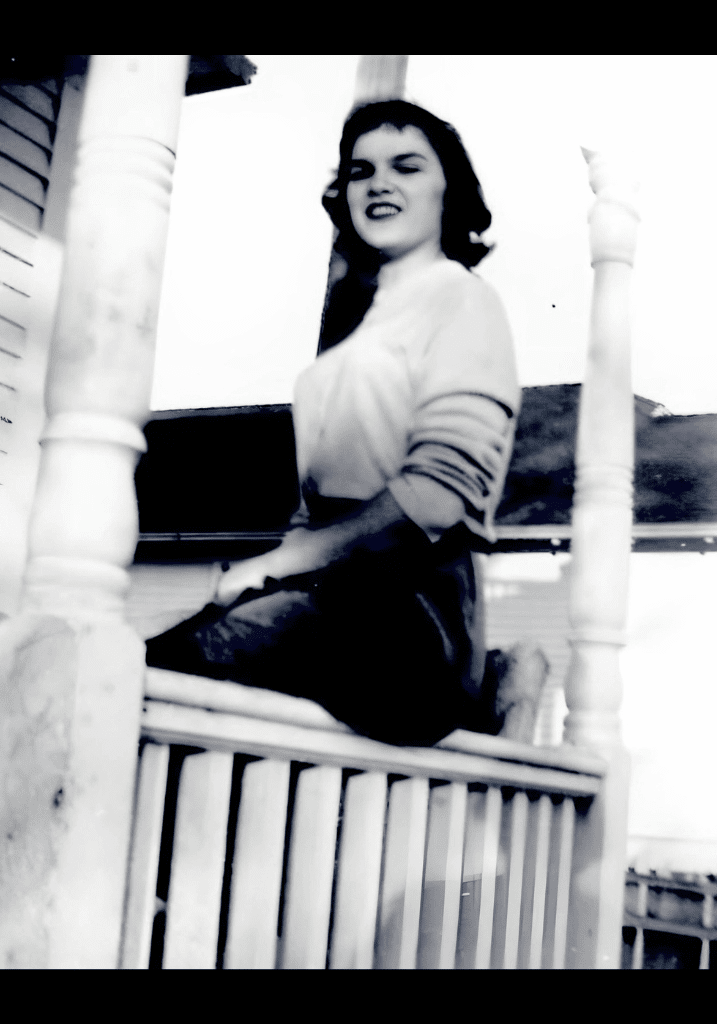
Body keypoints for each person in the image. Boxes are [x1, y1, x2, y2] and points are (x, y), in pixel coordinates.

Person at [146, 100, 547, 747]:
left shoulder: (463, 298)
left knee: (168, 669)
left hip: (409, 618)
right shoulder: (354, 330)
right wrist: (271, 572)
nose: (379, 183)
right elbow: (312, 512)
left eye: (407, 166)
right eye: (361, 171)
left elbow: (436, 497)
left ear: (451, 191)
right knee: (142, 657)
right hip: (325, 600)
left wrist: (283, 563)